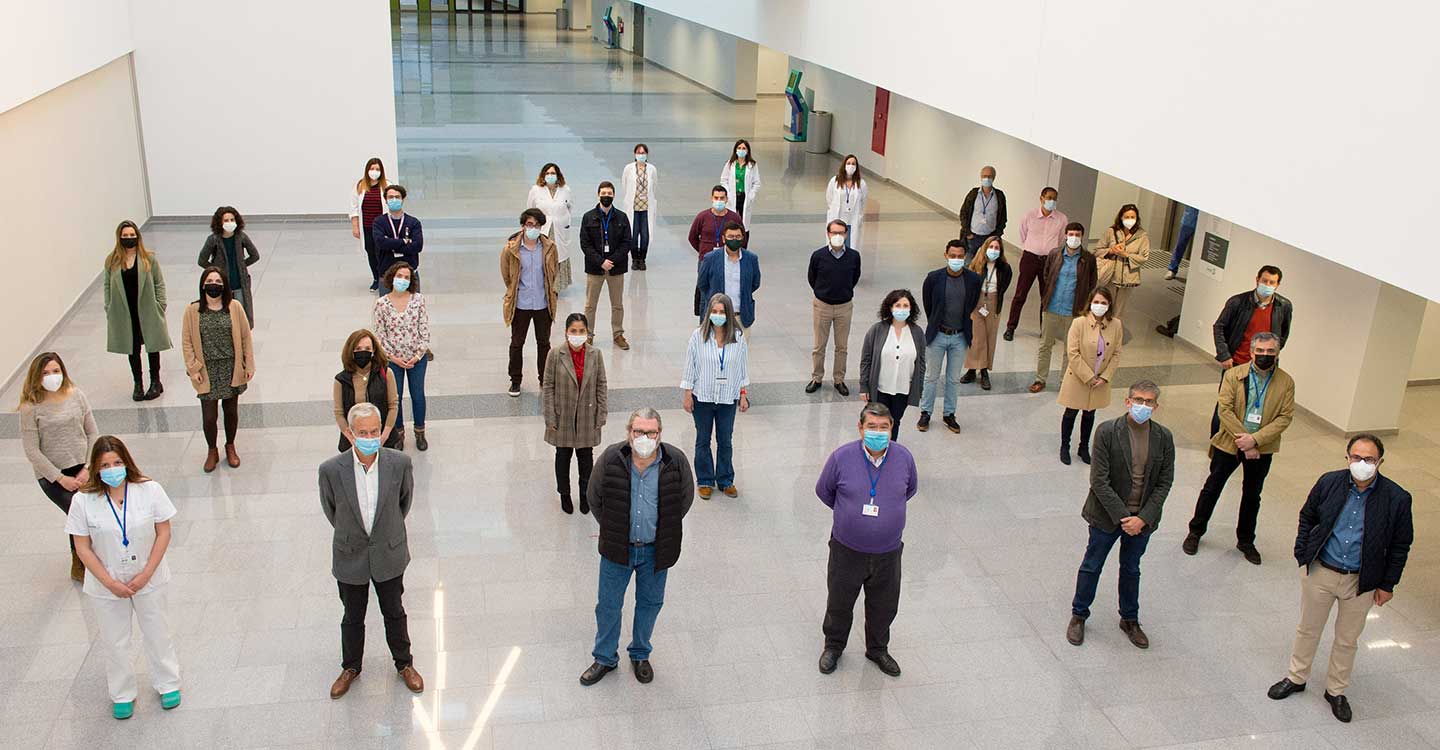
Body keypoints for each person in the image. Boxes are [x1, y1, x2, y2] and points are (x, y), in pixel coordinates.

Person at [1266, 435, 1414, 724]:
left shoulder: (1397, 498)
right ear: (1347, 458)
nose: (1361, 464)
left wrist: (1387, 585)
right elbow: (1307, 516)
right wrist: (1303, 553)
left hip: (1361, 581)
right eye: (1356, 457)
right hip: (1321, 570)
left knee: (1347, 639)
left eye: (1369, 459)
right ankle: (1296, 677)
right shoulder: (1329, 482)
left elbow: (1400, 545)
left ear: (1380, 462)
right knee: (1308, 629)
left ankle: (1335, 691)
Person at [66, 436, 182, 719]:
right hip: (107, 584)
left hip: (149, 577)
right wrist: (110, 582)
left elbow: (163, 532)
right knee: (114, 640)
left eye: (117, 462)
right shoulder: (83, 501)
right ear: (95, 468)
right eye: (105, 464)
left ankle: (168, 683)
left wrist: (145, 574)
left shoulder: (148, 489)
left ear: (126, 462)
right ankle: (122, 693)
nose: (112, 468)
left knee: (157, 632)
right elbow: (82, 547)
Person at [580, 407, 695, 687]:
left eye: (651, 432)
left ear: (659, 435)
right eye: (639, 432)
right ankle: (605, 657)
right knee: (608, 606)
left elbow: (684, 500)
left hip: (656, 550)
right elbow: (594, 499)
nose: (645, 437)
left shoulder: (675, 461)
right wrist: (613, 527)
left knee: (650, 604)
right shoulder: (611, 459)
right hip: (618, 549)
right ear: (629, 434)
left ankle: (640, 653)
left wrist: (662, 528)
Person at [319, 403, 425, 700]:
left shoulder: (399, 463)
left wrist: (384, 533)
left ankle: (404, 664)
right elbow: (332, 510)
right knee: (352, 614)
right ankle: (350, 667)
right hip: (350, 553)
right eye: (362, 432)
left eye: (374, 431)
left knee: (394, 611)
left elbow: (403, 503)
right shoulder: (330, 470)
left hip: (388, 553)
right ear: (351, 434)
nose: (369, 436)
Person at [1065, 381, 1174, 650]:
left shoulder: (1163, 437)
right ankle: (1079, 615)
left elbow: (1164, 482)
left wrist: (1143, 518)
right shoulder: (1107, 432)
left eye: (1149, 402)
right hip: (1107, 517)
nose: (1143, 406)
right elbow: (1099, 480)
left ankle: (1129, 619)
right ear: (1127, 402)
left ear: (1156, 406)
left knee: (1131, 569)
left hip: (1142, 521)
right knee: (1092, 564)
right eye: (1138, 400)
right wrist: (1125, 517)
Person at [816, 403, 919, 677]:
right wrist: (851, 517)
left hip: (888, 552)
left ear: (891, 429)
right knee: (839, 602)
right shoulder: (841, 458)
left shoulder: (904, 458)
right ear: (860, 428)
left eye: (883, 427)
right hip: (847, 550)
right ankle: (833, 646)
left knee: (884, 605)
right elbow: (825, 491)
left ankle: (878, 649)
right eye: (871, 426)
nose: (878, 432)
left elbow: (909, 490)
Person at [1182, 332, 1294, 564]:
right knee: (1213, 486)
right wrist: (1243, 440)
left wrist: (1255, 441)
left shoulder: (1286, 382)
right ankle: (1196, 531)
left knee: (1252, 494)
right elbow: (1224, 410)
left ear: (1278, 353)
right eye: (1260, 351)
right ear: (1252, 352)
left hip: (1261, 448)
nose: (1265, 355)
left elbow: (1284, 417)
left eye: (1270, 352)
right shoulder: (1233, 375)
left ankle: (1245, 540)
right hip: (1230, 442)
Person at [18, 352, 99, 582]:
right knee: (77, 512)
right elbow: (32, 450)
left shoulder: (77, 395)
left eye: (55, 371)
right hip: (53, 475)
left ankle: (93, 557)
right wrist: (60, 478)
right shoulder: (30, 407)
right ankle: (80, 564)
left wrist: (88, 468)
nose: (52, 376)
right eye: (45, 373)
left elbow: (92, 431)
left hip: (83, 467)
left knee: (90, 513)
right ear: (36, 377)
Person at [181, 268, 255, 472]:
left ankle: (230, 445)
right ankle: (211, 450)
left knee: (231, 411)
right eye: (209, 281)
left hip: (230, 366)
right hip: (207, 370)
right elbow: (187, 342)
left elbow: (245, 337)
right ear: (203, 285)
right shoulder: (192, 310)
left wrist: (248, 365)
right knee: (209, 416)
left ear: (224, 285)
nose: (214, 284)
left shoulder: (234, 307)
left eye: (217, 281)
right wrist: (193, 367)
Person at [681, 293, 750, 499]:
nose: (717, 315)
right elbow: (690, 366)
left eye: (721, 312)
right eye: (714, 311)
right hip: (703, 396)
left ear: (728, 314)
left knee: (725, 440)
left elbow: (742, 368)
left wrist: (743, 394)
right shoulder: (698, 336)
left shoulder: (738, 338)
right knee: (703, 439)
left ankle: (725, 479)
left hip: (727, 397)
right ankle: (704, 480)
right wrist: (687, 393)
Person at [1210, 265, 1293, 435]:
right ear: (1257, 280)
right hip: (1236, 364)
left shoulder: (1283, 306)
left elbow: (1283, 334)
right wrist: (1224, 355)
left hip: (1265, 367)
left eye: (1272, 282)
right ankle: (1217, 440)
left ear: (1278, 285)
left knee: (1258, 403)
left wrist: (1270, 354)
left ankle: (1250, 437)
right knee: (1225, 405)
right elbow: (1219, 327)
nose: (1267, 285)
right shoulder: (1237, 302)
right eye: (1264, 281)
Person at [543, 313, 608, 515]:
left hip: (587, 416)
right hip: (563, 415)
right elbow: (548, 386)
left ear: (587, 333)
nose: (577, 335)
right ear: (566, 332)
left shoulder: (595, 355)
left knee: (586, 457)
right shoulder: (555, 354)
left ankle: (585, 493)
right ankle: (564, 494)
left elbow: (601, 384)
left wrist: (601, 412)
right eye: (573, 331)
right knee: (562, 456)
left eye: (581, 331)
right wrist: (550, 417)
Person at [916, 240, 980, 434]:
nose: (956, 259)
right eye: (953, 256)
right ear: (946, 255)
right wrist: (935, 323)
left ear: (965, 257)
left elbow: (972, 303)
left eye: (960, 256)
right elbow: (928, 304)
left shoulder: (973, 280)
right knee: (931, 377)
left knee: (953, 379)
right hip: (938, 335)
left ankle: (949, 414)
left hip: (960, 337)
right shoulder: (934, 278)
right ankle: (925, 412)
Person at [104, 220, 171, 402]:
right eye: (125, 236)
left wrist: (160, 304)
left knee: (152, 345)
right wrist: (108, 307)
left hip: (147, 309)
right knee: (132, 348)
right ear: (119, 238)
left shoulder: (149, 259)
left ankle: (155, 381)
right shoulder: (112, 261)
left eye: (131, 235)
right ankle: (138, 383)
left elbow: (159, 282)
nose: (129, 238)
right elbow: (107, 285)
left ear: (137, 236)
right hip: (125, 311)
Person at [1057, 288, 1123, 465]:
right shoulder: (1079, 323)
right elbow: (1073, 353)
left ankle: (1083, 447)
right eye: (1096, 302)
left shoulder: (1116, 325)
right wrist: (1088, 377)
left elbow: (1117, 353)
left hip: (1100, 380)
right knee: (1071, 412)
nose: (1099, 306)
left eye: (1103, 303)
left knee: (1089, 413)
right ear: (1090, 303)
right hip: (1079, 377)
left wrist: (1105, 377)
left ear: (1109, 305)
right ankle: (1065, 446)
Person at [1030, 223, 1098, 394]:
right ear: (1065, 235)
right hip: (1051, 307)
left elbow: (1091, 283)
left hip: (1073, 310)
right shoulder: (1054, 254)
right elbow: (1046, 276)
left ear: (1082, 236)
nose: (1074, 237)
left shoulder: (1088, 259)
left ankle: (1065, 381)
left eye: (1077, 234)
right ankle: (1040, 378)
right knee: (1045, 345)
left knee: (1071, 349)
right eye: (1071, 234)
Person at [372, 262, 431, 452]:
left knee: (418, 395)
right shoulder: (381, 304)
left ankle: (420, 432)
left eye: (406, 277)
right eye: (400, 276)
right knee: (394, 397)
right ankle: (398, 434)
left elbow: (424, 331)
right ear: (392, 277)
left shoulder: (418, 300)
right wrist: (393, 358)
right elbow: (379, 335)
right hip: (393, 361)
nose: (402, 280)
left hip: (416, 359)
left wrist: (417, 355)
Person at [501, 208, 559, 397]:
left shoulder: (549, 247)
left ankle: (545, 379)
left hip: (543, 303)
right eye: (529, 224)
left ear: (541, 227)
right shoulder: (512, 248)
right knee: (517, 343)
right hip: (521, 304)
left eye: (536, 225)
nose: (532, 228)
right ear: (523, 226)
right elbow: (507, 275)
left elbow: (553, 272)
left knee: (544, 343)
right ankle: (515, 380)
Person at [858, 290, 926, 440]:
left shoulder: (917, 332)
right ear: (890, 307)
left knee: (895, 422)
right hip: (880, 388)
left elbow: (921, 363)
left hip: (903, 389)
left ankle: (891, 450)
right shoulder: (877, 330)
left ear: (911, 308)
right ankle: (874, 449)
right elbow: (866, 360)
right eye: (898, 305)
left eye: (905, 305)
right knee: (877, 422)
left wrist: (918, 388)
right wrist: (864, 386)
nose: (902, 309)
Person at [807, 219, 862, 394]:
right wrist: (822, 292)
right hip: (822, 305)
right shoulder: (818, 255)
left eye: (841, 232)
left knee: (842, 346)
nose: (837, 236)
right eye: (834, 233)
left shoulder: (854, 256)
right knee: (819, 345)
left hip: (844, 307)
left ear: (846, 234)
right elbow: (812, 278)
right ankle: (817, 377)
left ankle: (839, 379)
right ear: (828, 234)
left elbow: (855, 277)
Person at [1005, 187, 1067, 340]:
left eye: (1054, 198)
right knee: (1020, 294)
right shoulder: (1029, 216)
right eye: (1049, 198)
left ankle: (1045, 331)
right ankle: (1010, 327)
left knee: (1046, 297)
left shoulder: (1062, 219)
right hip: (1030, 258)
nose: (1051, 201)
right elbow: (1023, 234)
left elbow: (1061, 240)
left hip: (1049, 261)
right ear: (1041, 198)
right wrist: (1033, 247)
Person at [579, 181, 633, 350]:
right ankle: (588, 335)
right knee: (590, 305)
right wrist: (601, 261)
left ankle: (618, 334)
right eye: (604, 193)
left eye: (609, 194)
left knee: (617, 304)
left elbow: (626, 243)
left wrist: (612, 261)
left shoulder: (622, 217)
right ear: (598, 195)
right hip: (595, 268)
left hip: (616, 268)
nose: (606, 196)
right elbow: (585, 244)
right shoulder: (588, 217)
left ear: (614, 196)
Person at [332, 329, 400, 452]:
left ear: (373, 350)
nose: (363, 352)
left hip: (383, 439)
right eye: (358, 349)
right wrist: (352, 439)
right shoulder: (341, 380)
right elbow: (339, 413)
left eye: (367, 349)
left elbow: (393, 406)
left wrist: (383, 437)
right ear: (351, 350)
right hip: (353, 441)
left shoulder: (386, 373)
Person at [960, 235, 1013, 390]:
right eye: (991, 247)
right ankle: (972, 369)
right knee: (977, 338)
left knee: (990, 337)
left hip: (993, 302)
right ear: (985, 248)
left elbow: (1004, 286)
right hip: (977, 303)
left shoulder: (1005, 268)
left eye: (997, 248)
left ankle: (984, 372)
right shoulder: (976, 264)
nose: (993, 250)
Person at [197, 205, 260, 326]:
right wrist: (215, 270)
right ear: (219, 223)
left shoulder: (241, 237)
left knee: (241, 316)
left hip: (240, 284)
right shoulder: (213, 239)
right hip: (222, 286)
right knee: (224, 315)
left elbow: (255, 255)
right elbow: (202, 260)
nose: (230, 223)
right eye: (226, 220)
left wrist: (242, 265)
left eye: (232, 220)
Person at [686, 186, 744, 316]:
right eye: (716, 198)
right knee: (704, 291)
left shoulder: (734, 217)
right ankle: (703, 322)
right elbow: (692, 237)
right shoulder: (702, 216)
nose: (719, 201)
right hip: (706, 260)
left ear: (726, 199)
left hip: (727, 259)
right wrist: (703, 251)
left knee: (725, 288)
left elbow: (742, 238)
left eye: (722, 198)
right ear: (711, 198)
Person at [697, 222, 762, 330]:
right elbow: (702, 284)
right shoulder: (710, 259)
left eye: (738, 236)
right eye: (730, 236)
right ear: (724, 239)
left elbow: (755, 283)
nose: (734, 240)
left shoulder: (751, 259)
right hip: (718, 317)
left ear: (742, 238)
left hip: (741, 318)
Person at [1093, 204, 1149, 320]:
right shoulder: (1111, 232)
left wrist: (1126, 255)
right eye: (1127, 217)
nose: (1130, 220)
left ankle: (1113, 335)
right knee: (1104, 307)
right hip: (1110, 276)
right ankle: (1099, 332)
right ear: (1121, 217)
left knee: (1118, 312)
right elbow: (1097, 251)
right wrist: (1111, 250)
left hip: (1128, 279)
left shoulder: (1142, 236)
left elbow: (1144, 257)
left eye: (1132, 217)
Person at [526, 163, 575, 292]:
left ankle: (556, 288)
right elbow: (530, 209)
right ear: (543, 175)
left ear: (558, 175)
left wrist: (565, 220)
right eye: (547, 173)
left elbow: (569, 207)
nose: (550, 176)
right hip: (543, 228)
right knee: (543, 258)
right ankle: (543, 286)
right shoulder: (535, 190)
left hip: (560, 228)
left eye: (553, 173)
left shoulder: (566, 190)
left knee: (559, 256)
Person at [349, 157, 392, 290]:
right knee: (371, 252)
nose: (374, 171)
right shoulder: (360, 186)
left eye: (377, 169)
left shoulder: (387, 185)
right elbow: (354, 208)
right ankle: (375, 277)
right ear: (367, 170)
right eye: (372, 169)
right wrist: (355, 227)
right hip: (367, 226)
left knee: (382, 252)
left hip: (382, 228)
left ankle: (384, 277)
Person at [372, 184, 423, 293]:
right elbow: (381, 242)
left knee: (412, 307)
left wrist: (391, 244)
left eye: (397, 197)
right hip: (386, 272)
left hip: (409, 273)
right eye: (390, 197)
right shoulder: (379, 222)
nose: (394, 199)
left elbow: (417, 246)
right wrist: (404, 242)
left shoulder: (413, 222)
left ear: (403, 199)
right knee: (386, 308)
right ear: (385, 200)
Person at [619, 144, 658, 270]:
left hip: (646, 208)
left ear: (647, 154)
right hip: (633, 207)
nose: (641, 155)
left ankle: (642, 259)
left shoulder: (652, 169)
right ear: (635, 154)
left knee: (646, 235)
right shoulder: (628, 168)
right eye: (638, 152)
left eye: (643, 152)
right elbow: (624, 185)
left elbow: (655, 185)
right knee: (633, 235)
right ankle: (635, 259)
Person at [958, 166, 1006, 260]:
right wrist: (967, 232)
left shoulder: (999, 196)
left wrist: (997, 234)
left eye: (989, 176)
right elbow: (963, 213)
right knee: (967, 263)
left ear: (994, 178)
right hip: (972, 236)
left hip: (990, 238)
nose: (987, 179)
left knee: (988, 263)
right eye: (984, 176)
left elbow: (1003, 217)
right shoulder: (973, 194)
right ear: (981, 177)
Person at [825, 155, 868, 249]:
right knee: (836, 245)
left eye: (853, 164)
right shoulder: (835, 181)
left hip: (853, 219)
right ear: (844, 165)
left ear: (856, 167)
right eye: (848, 163)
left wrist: (859, 215)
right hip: (838, 217)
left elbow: (863, 201)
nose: (851, 166)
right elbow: (829, 198)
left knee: (851, 246)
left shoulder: (861, 184)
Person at [719, 139, 761, 229]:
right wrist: (728, 193)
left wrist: (751, 195)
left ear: (747, 151)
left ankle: (744, 241)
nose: (741, 150)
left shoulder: (752, 165)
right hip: (733, 196)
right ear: (735, 150)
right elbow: (723, 180)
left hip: (745, 196)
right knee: (732, 221)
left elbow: (757, 182)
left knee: (744, 224)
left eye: (744, 148)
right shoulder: (730, 164)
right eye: (739, 148)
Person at [1164, 204, 1198, 280]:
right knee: (1181, 243)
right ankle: (1172, 269)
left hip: (1206, 221)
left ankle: (1197, 275)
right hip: (1190, 217)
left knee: (1202, 248)